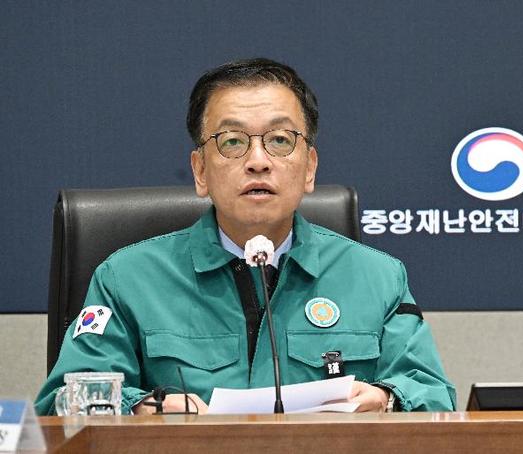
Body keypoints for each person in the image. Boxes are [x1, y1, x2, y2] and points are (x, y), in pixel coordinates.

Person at [35, 58, 456, 415]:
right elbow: (61, 403)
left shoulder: (378, 277)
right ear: (200, 170)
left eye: (280, 140)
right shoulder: (127, 278)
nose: (258, 161)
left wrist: (386, 399)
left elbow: (436, 399)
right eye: (233, 141)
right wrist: (144, 407)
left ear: (309, 168)